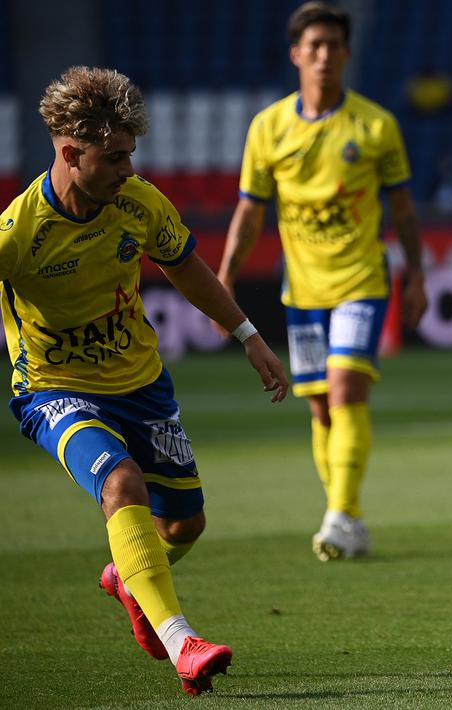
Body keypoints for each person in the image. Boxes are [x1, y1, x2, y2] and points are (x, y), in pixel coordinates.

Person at [0, 66, 289, 696]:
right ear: (71, 153)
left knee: (184, 526)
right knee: (120, 480)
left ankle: (129, 576)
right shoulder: (17, 235)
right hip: (54, 388)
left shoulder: (139, 202)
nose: (128, 169)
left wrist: (249, 337)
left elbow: (187, 269)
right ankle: (182, 641)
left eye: (132, 154)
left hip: (142, 383)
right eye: (114, 157)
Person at [217, 1, 428, 561]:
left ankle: (337, 515)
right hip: (302, 290)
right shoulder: (269, 128)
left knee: (345, 389)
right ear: (296, 54)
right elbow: (249, 213)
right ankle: (349, 514)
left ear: (347, 53)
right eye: (314, 46)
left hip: (362, 279)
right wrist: (225, 278)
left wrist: (417, 277)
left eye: (334, 45)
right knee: (319, 409)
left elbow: (404, 211)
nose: (325, 55)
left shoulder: (376, 125)